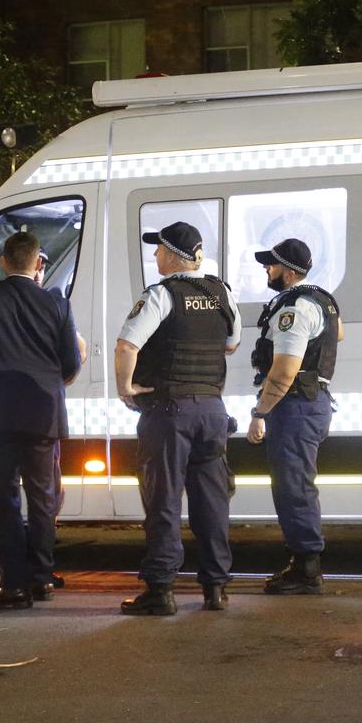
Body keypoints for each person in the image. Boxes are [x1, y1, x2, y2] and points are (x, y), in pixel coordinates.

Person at [0, 232, 81, 609]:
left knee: (4, 498)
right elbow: (70, 361)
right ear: (38, 263)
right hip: (43, 412)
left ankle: (14, 585)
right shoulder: (57, 304)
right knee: (43, 500)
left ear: (4, 262)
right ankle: (42, 579)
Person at [115, 221, 241, 615]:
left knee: (163, 500)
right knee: (212, 503)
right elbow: (232, 344)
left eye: (159, 250)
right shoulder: (222, 294)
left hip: (169, 412)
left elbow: (125, 346)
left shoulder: (161, 296)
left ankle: (161, 589)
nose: (155, 256)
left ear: (174, 255)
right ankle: (216, 588)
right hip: (212, 411)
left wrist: (126, 389)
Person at [246, 238, 343, 595]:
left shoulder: (295, 308)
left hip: (295, 406)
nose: (266, 271)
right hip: (312, 402)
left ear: (287, 272)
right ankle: (303, 562)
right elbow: (338, 334)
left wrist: (260, 412)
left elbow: (285, 370)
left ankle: (306, 568)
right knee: (296, 484)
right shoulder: (323, 300)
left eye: (270, 266)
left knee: (293, 488)